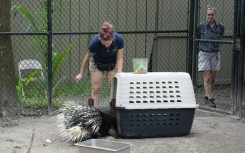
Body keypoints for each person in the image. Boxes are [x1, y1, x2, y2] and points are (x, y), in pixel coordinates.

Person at [75, 22, 124, 107]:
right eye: (103, 44)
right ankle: (94, 111)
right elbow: (87, 58)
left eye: (108, 43)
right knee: (96, 88)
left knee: (113, 88)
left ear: (113, 38)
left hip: (112, 64)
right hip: (97, 64)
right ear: (100, 39)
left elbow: (120, 58)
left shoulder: (119, 39)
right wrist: (80, 73)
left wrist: (119, 73)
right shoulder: (95, 41)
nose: (106, 46)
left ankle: (114, 112)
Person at [197, 5, 225, 108]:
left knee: (212, 77)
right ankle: (210, 98)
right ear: (206, 15)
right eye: (208, 15)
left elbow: (222, 35)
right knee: (207, 77)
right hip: (204, 53)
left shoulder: (220, 27)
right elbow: (196, 36)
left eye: (212, 14)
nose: (210, 16)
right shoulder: (201, 26)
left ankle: (206, 95)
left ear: (215, 15)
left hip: (215, 53)